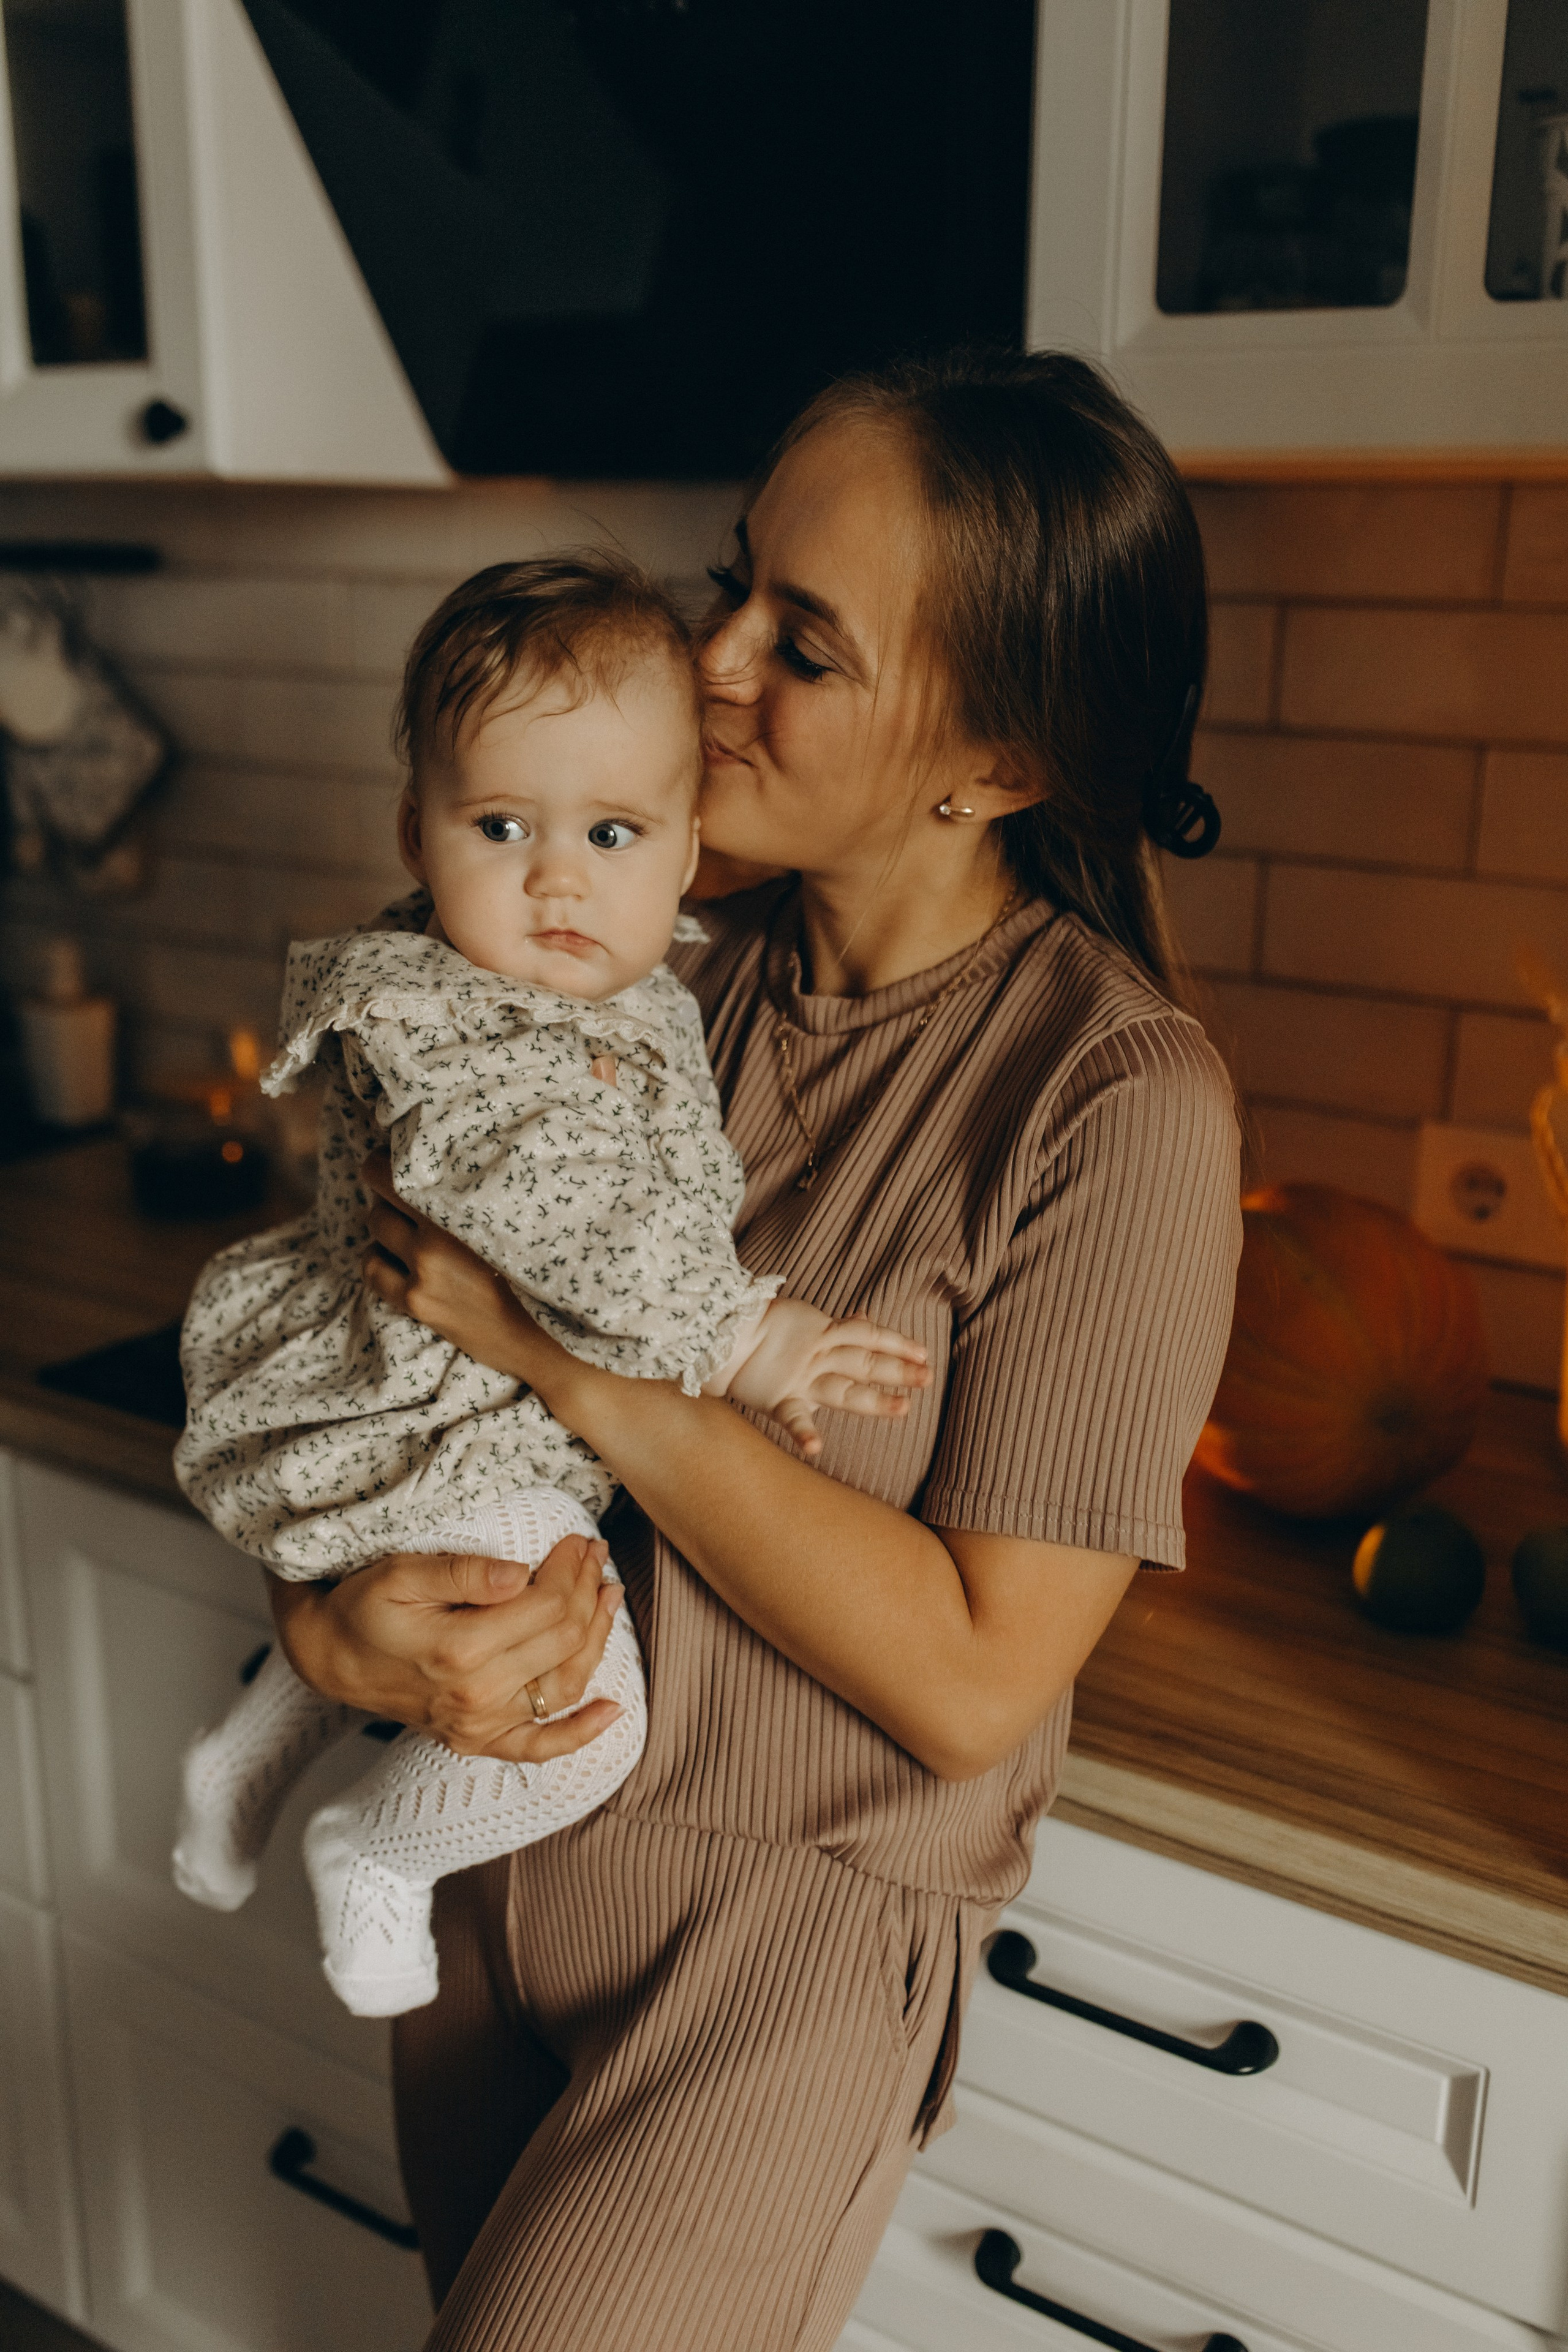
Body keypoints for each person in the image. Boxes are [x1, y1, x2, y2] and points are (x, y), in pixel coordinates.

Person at [268, 350, 1243, 2352]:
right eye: (733, 584)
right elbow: (356, 1344)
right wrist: (331, 1634)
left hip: (777, 1950)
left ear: (993, 762)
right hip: (474, 1861)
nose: (708, 662)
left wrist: (587, 1376)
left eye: (801, 639)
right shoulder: (626, 943)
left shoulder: (1112, 1100)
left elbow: (975, 1680)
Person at [170, 553, 927, 2019]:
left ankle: (249, 1750)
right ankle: (380, 1849)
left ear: (686, 843)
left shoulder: (618, 981)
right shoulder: (453, 1019)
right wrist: (740, 1334)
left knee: (423, 1618)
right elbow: (543, 1203)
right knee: (581, 1722)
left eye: (612, 831)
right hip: (459, 1421)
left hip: (477, 1409)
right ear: (418, 832)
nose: (557, 878)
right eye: (501, 825)